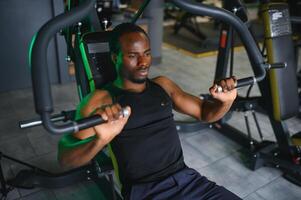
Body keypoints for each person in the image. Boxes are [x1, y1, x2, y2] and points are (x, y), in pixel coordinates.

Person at [58, 22, 241, 200]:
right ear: (115, 57)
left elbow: (205, 113)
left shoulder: (163, 85)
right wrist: (100, 140)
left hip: (188, 180)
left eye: (146, 53)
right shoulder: (100, 100)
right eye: (132, 55)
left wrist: (226, 102)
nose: (143, 62)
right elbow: (65, 158)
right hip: (147, 192)